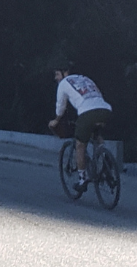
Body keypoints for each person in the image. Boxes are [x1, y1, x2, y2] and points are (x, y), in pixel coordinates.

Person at [48, 66, 112, 195]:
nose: (56, 78)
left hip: (88, 113)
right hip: (105, 110)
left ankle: (82, 180)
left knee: (80, 145)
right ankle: (104, 156)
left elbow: (60, 106)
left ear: (65, 73)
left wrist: (56, 120)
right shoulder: (85, 79)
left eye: (57, 74)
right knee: (96, 133)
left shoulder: (64, 84)